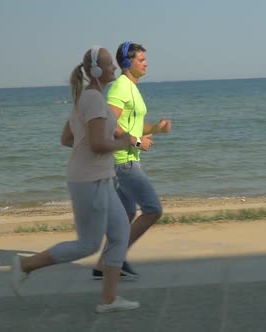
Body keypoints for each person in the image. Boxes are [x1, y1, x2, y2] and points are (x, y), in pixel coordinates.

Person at [11, 47, 140, 313]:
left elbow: (68, 139)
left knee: (119, 234)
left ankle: (109, 300)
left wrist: (96, 152)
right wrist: (123, 142)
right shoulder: (93, 100)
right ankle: (25, 266)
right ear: (95, 70)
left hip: (99, 177)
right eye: (108, 65)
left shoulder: (90, 99)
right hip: (89, 181)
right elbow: (95, 144)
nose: (114, 68)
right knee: (88, 245)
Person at [91, 41, 172, 280]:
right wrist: (137, 142)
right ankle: (113, 260)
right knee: (153, 210)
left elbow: (133, 126)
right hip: (123, 160)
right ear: (127, 63)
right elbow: (108, 124)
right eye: (141, 60)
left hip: (126, 159)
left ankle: (101, 267)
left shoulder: (132, 88)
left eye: (146, 59)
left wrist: (155, 129)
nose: (146, 63)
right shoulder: (120, 88)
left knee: (127, 215)